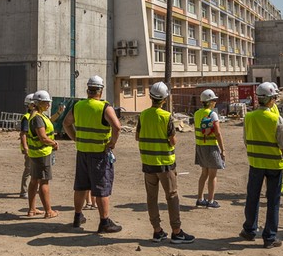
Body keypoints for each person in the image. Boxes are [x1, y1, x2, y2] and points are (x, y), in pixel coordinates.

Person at [63, 75, 123, 234]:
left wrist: (75, 137)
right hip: (99, 154)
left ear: (88, 89)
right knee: (102, 188)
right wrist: (113, 142)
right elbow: (117, 127)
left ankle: (77, 217)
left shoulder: (78, 105)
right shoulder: (104, 107)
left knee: (81, 186)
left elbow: (66, 123)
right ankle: (104, 222)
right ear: (101, 90)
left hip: (82, 151)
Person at [136, 82, 195, 244]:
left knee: (151, 198)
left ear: (151, 97)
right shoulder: (166, 116)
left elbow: (137, 137)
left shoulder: (143, 115)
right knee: (172, 196)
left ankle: (157, 231)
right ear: (164, 99)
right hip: (165, 164)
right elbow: (172, 141)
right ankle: (176, 232)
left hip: (148, 164)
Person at [239, 82, 283, 249]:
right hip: (274, 166)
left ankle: (249, 230)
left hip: (255, 164)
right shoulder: (276, 119)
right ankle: (269, 237)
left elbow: (246, 141)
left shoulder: (249, 117)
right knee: (272, 202)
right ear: (270, 99)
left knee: (252, 198)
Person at [26, 90, 59, 218]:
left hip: (36, 153)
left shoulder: (38, 116)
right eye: (46, 103)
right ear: (39, 103)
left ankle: (32, 209)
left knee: (34, 181)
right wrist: (54, 143)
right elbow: (43, 138)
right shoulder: (38, 118)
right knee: (44, 182)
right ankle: (48, 211)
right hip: (42, 153)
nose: (48, 105)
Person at [194, 89, 225, 208]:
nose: (215, 102)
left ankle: (200, 198)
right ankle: (211, 201)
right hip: (211, 147)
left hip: (200, 146)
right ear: (210, 102)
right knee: (212, 175)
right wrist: (223, 150)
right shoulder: (212, 114)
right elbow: (218, 133)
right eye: (214, 100)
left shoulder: (197, 113)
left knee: (204, 174)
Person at [19, 93, 36, 199]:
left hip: (36, 147)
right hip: (30, 147)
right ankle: (24, 191)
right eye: (33, 104)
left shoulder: (37, 116)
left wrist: (58, 113)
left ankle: (33, 188)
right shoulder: (27, 117)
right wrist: (25, 147)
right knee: (28, 169)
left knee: (35, 169)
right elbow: (23, 133)